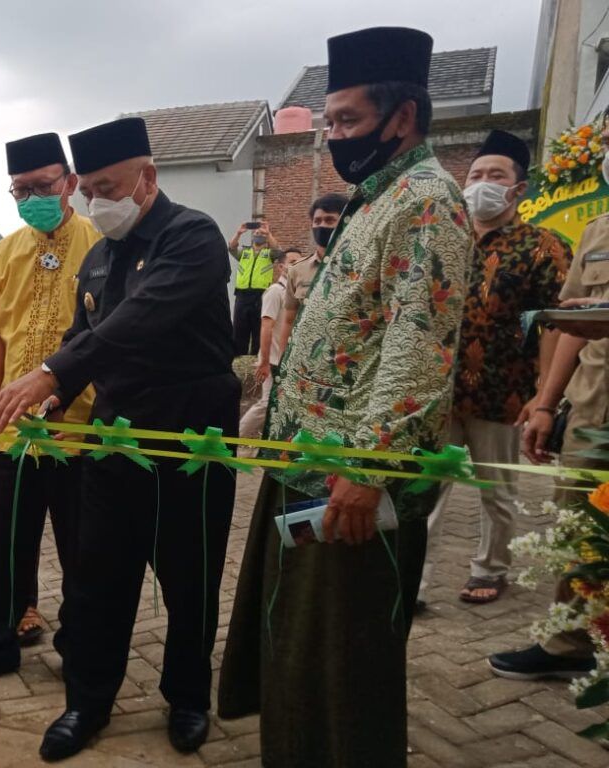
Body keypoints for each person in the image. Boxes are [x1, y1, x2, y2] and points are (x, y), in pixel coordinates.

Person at [218, 27, 474, 767]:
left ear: (405, 117)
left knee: (342, 662)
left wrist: (369, 468)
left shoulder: (426, 201)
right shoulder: (375, 196)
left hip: (349, 483)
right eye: (327, 123)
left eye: (347, 122)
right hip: (307, 469)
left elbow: (417, 344)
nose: (333, 138)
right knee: (300, 653)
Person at [0, 117, 241, 761]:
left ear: (147, 178)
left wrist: (47, 376)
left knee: (189, 577)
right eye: (90, 189)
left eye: (109, 185)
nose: (98, 201)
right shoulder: (99, 255)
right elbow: (80, 339)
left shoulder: (193, 235)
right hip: (112, 440)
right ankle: (87, 704)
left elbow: (141, 320)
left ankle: (187, 698)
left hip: (188, 443)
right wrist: (48, 398)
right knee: (96, 579)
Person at [0, 133, 100, 689]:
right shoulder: (3, 254)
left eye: (42, 186)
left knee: (82, 548)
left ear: (70, 184)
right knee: (3, 542)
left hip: (81, 428)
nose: (31, 198)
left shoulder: (101, 245)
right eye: (20, 190)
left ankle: (81, 649)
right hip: (9, 430)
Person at [422, 130, 571, 605]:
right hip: (439, 392)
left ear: (517, 189)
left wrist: (543, 393)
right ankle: (414, 579)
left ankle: (491, 568)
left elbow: (554, 325)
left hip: (504, 392)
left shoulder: (543, 246)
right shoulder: (444, 240)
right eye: (475, 175)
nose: (482, 183)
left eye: (495, 176)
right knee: (426, 489)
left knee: (496, 491)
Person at [487, 128, 609, 679]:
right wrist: (544, 404)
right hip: (593, 410)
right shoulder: (598, 231)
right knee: (579, 529)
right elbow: (569, 324)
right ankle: (569, 642)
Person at [237, 247, 302, 458]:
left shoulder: (295, 292)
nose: (296, 265)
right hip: (273, 359)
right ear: (281, 266)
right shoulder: (275, 291)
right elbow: (265, 326)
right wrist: (264, 361)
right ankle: (235, 438)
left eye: (299, 262)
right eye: (292, 261)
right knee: (266, 404)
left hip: (287, 360)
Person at [276, 192, 349, 349]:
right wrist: (281, 365)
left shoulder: (358, 266)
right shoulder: (297, 270)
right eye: (317, 221)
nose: (322, 225)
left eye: (329, 220)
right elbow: (289, 320)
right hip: (307, 359)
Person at [228, 220, 278, 357]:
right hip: (242, 294)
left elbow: (277, 251)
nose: (258, 234)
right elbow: (231, 248)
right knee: (239, 328)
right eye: (256, 232)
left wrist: (268, 234)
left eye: (260, 233)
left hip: (260, 295)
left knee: (258, 328)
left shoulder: (269, 254)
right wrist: (239, 233)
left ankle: (256, 356)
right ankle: (238, 356)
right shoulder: (245, 252)